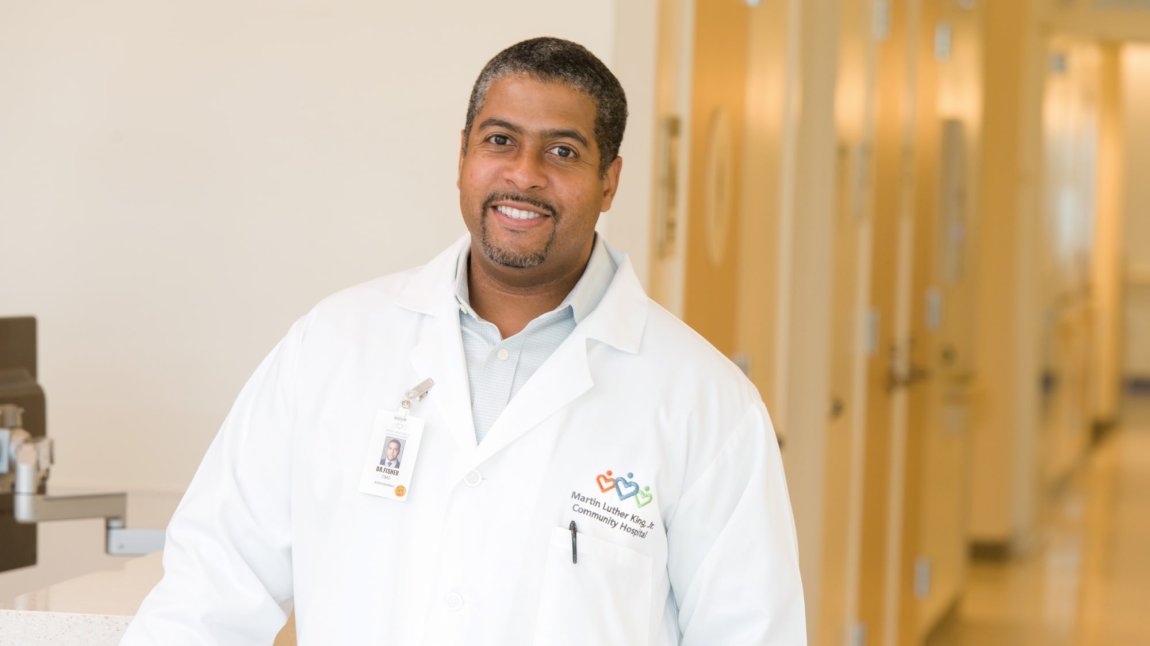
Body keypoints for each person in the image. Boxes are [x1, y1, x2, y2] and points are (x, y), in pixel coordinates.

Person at [121, 37, 805, 645]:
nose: (524, 173)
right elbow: (211, 588)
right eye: (499, 140)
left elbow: (749, 630)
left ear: (609, 182)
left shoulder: (705, 403)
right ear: (463, 156)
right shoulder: (333, 345)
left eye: (562, 151)